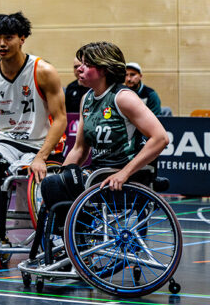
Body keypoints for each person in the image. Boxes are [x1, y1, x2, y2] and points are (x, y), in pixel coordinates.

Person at [0, 13, 67, 248]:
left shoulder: (43, 71)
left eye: (9, 37)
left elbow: (60, 119)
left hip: (40, 142)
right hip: (8, 142)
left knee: (43, 181)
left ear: (22, 38)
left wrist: (41, 157)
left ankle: (54, 237)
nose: (2, 44)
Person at [41, 42, 169, 223]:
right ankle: (74, 235)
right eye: (80, 65)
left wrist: (124, 173)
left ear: (104, 69)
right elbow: (79, 149)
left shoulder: (123, 98)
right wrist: (62, 175)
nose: (80, 69)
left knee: (53, 185)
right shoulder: (87, 98)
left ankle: (77, 233)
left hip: (122, 172)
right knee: (53, 184)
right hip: (98, 172)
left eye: (87, 65)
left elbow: (161, 138)